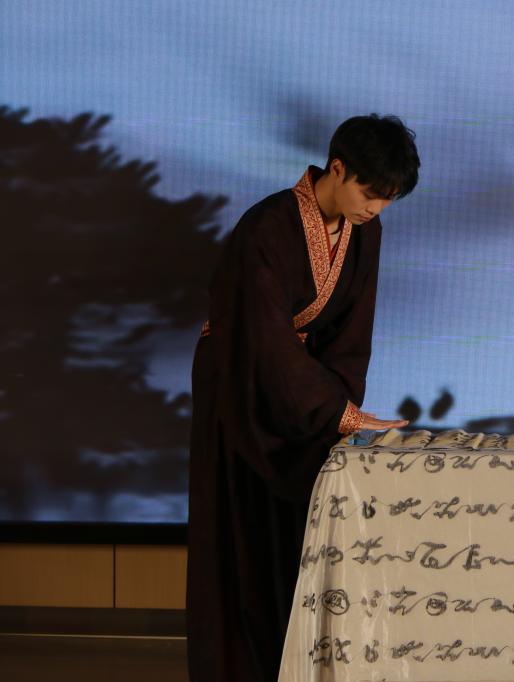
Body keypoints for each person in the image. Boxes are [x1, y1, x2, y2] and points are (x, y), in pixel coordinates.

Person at [186, 114, 419, 681]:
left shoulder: (366, 231)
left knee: (299, 532)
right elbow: (261, 334)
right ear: (337, 168)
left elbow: (351, 335)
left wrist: (336, 411)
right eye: (370, 193)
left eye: (387, 200)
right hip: (240, 380)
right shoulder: (266, 226)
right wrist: (333, 409)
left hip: (301, 390)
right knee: (240, 532)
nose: (375, 208)